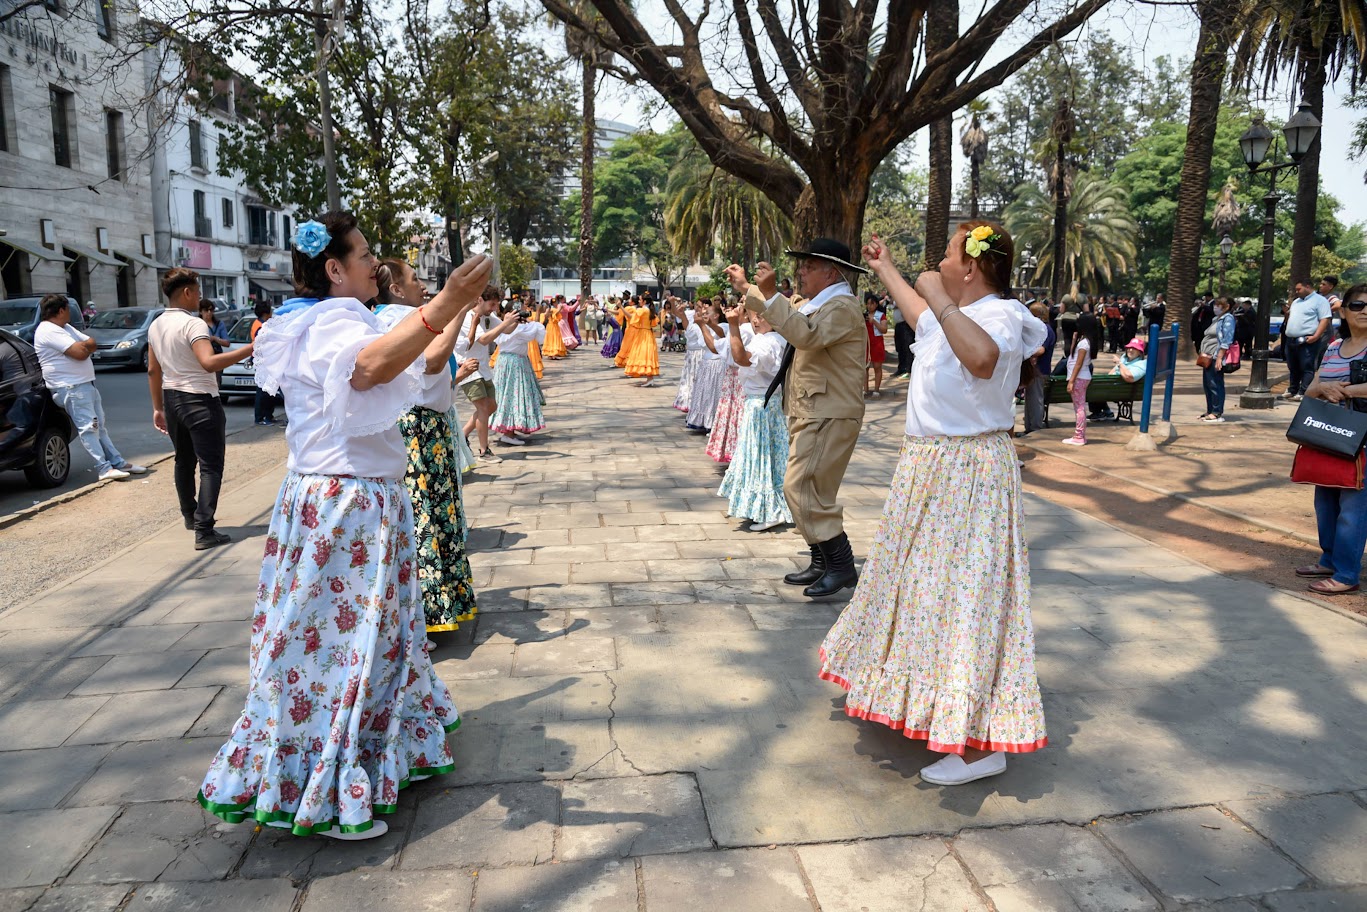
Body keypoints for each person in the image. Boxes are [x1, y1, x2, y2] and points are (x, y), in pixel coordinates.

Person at [197, 212, 493, 839]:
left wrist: (449, 307)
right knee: (335, 642)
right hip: (344, 504)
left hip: (346, 498)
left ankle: (367, 750)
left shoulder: (321, 318)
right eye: (362, 255)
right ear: (333, 269)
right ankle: (323, 789)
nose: (373, 264)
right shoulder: (330, 322)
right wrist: (448, 302)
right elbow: (370, 368)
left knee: (359, 635)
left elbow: (410, 358)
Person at [819, 222, 1048, 786]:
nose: (938, 263)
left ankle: (977, 743)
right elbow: (924, 318)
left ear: (970, 267)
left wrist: (940, 298)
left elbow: (983, 358)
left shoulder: (1001, 316)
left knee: (963, 597)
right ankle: (930, 703)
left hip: (969, 473)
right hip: (933, 471)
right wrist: (887, 270)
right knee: (924, 591)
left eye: (947, 254)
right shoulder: (952, 318)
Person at [726, 237, 867, 599]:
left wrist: (769, 293)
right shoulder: (818, 304)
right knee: (809, 489)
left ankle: (840, 565)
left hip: (829, 411)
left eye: (809, 266)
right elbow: (786, 314)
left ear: (831, 272)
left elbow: (804, 334)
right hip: (813, 409)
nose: (801, 272)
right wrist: (748, 288)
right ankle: (822, 561)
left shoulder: (842, 307)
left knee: (801, 487)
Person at [373, 258, 482, 639]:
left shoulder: (405, 317)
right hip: (416, 428)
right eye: (413, 278)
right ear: (395, 289)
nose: (422, 285)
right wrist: (458, 307)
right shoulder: (397, 320)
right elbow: (433, 363)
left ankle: (434, 609)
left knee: (436, 517)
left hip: (428, 425)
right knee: (424, 521)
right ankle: (421, 617)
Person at [148, 268, 255, 549]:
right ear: (186, 292)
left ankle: (190, 516)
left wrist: (158, 408)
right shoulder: (193, 324)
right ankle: (204, 530)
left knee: (183, 461)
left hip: (172, 398)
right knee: (210, 466)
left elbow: (152, 370)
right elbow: (208, 363)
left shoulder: (156, 325)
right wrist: (251, 349)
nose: (199, 297)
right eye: (197, 291)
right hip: (199, 400)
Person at [32, 294, 146, 481]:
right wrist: (84, 347)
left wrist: (85, 346)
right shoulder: (48, 330)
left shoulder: (65, 327)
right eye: (68, 309)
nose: (70, 313)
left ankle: (117, 462)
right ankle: (103, 468)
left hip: (83, 384)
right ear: (61, 310)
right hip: (71, 387)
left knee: (99, 426)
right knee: (89, 428)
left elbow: (92, 343)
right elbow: (80, 353)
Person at [1300, 283, 1367, 595]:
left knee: (1353, 509)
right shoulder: (1333, 347)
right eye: (1358, 305)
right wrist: (1323, 389)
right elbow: (1311, 390)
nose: (1364, 311)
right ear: (1344, 311)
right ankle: (1329, 559)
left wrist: (1346, 390)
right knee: (1325, 503)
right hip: (1328, 436)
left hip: (1361, 440)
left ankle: (1346, 574)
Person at [716, 300, 790, 532]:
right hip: (761, 402)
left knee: (762, 457)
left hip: (762, 404)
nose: (755, 320)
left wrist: (733, 325)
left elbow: (742, 358)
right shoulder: (766, 337)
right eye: (754, 316)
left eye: (761, 316)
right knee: (764, 456)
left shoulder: (772, 342)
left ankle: (771, 510)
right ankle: (768, 506)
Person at [457, 287, 521, 458]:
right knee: (483, 408)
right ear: (480, 300)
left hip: (483, 369)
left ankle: (462, 435)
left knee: (491, 406)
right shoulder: (468, 317)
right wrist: (506, 323)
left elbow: (506, 330)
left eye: (496, 305)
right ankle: (484, 450)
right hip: (468, 368)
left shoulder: (489, 317)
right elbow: (484, 340)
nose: (493, 308)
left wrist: (515, 320)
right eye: (491, 304)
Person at [490, 306, 548, 438]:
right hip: (515, 363)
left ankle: (509, 429)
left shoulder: (501, 328)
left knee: (506, 395)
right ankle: (509, 433)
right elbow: (538, 330)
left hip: (504, 362)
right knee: (514, 396)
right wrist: (533, 316)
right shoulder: (521, 329)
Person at [1282, 279, 1332, 401]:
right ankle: (1293, 389)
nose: (1297, 291)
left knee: (1306, 366)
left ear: (1308, 287)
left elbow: (1325, 319)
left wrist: (1316, 336)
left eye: (1299, 289)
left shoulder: (1320, 301)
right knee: (1293, 366)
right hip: (1291, 339)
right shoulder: (1296, 302)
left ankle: (1304, 391)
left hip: (1307, 339)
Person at [685, 300, 727, 434]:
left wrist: (706, 324)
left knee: (714, 393)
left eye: (707, 313)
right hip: (706, 363)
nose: (705, 315)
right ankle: (702, 421)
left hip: (717, 363)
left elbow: (721, 334)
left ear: (716, 315)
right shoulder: (704, 328)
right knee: (704, 393)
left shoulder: (724, 325)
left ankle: (714, 423)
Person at [1062, 312, 1100, 446]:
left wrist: (1071, 381)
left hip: (1079, 377)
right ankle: (1080, 435)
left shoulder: (1084, 344)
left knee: (1079, 408)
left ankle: (1079, 436)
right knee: (1079, 407)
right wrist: (1074, 340)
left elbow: (1078, 364)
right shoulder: (1086, 341)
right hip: (1082, 377)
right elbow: (1072, 356)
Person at [1019, 301, 1056, 437]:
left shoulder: (1045, 330)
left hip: (1040, 370)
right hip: (1033, 371)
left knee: (1036, 400)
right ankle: (1029, 428)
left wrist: (1024, 351)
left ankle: (1035, 428)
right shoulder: (1041, 329)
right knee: (1030, 400)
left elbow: (1041, 350)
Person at [1197, 295, 1235, 423]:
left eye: (1218, 305)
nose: (1215, 308)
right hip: (1207, 356)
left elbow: (1227, 339)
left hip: (1215, 356)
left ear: (1226, 307)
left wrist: (1219, 357)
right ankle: (1210, 410)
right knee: (1208, 384)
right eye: (1215, 305)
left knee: (1215, 383)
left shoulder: (1228, 319)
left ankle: (1216, 412)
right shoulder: (1216, 319)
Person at [250, 302, 284, 426]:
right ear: (266, 313)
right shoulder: (260, 326)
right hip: (263, 361)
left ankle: (269, 416)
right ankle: (260, 417)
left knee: (270, 390)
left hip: (267, 360)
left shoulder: (260, 324)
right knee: (263, 392)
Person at [864, 293, 888, 397]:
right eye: (868, 304)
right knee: (865, 368)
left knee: (877, 367)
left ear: (876, 304)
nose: (869, 306)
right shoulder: (864, 315)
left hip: (877, 343)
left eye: (872, 304)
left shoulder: (881, 315)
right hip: (866, 344)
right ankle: (865, 389)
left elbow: (884, 329)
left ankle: (876, 390)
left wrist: (874, 321)